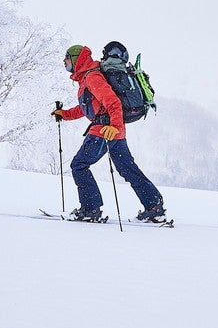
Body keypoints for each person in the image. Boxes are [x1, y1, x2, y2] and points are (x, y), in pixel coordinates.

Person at [52, 44, 166, 223]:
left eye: (66, 58)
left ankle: (90, 209)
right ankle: (154, 206)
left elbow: (113, 102)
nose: (64, 62)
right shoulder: (87, 77)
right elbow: (88, 108)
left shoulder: (93, 77)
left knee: (79, 165)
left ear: (76, 59)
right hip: (113, 130)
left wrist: (113, 126)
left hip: (104, 131)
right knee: (127, 169)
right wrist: (64, 114)